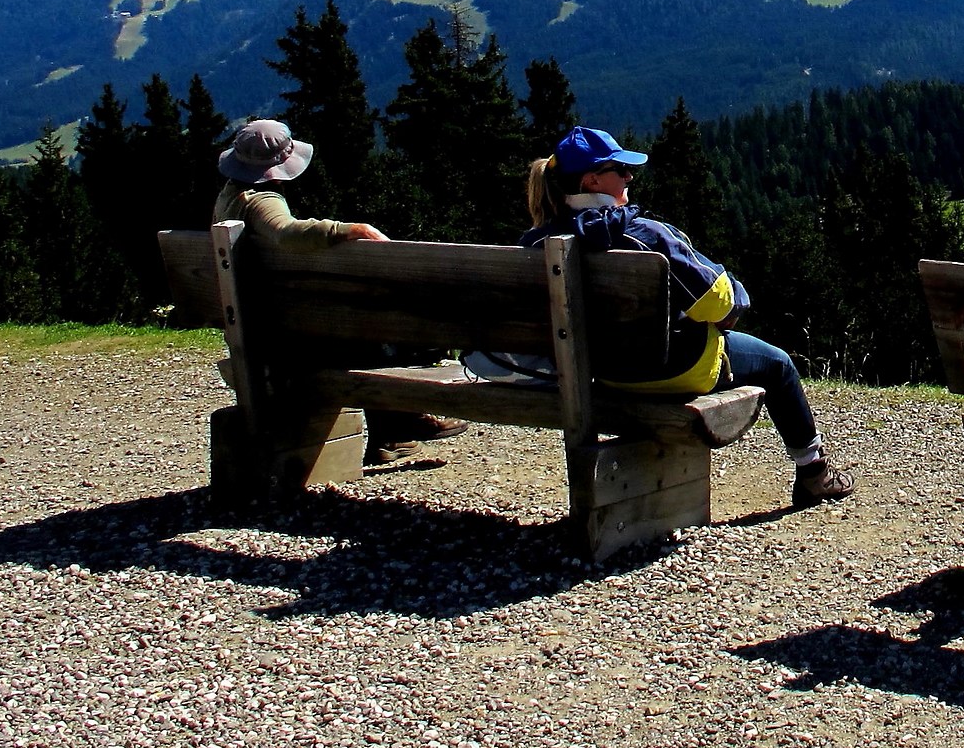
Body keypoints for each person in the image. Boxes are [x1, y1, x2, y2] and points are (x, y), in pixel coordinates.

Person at [463, 126, 855, 508]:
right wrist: (733, 289)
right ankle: (813, 473)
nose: (630, 176)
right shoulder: (644, 235)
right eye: (620, 170)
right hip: (672, 368)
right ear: (593, 180)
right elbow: (722, 308)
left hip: (597, 373)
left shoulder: (537, 243)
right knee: (779, 364)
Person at [212, 117, 464, 462]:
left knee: (368, 333)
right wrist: (347, 229)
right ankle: (398, 426)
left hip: (260, 330)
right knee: (387, 330)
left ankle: (394, 432)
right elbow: (287, 232)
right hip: (285, 344)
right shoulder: (259, 200)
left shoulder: (228, 198)